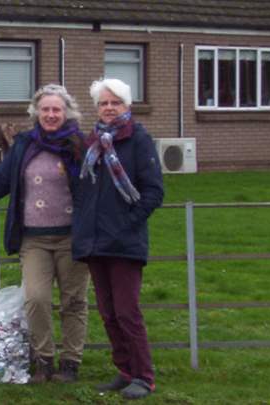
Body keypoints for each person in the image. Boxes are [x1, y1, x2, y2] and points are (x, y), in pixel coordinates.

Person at [0, 84, 90, 383]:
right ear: (36, 112)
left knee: (73, 302)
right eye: (45, 109)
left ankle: (70, 363)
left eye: (56, 109)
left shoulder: (80, 145)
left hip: (73, 238)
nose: (50, 114)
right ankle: (44, 360)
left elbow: (97, 190)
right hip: (33, 238)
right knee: (35, 298)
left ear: (67, 112)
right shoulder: (24, 144)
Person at [72, 78, 164, 400]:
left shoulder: (138, 140)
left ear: (127, 106)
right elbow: (84, 189)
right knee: (108, 313)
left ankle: (144, 376)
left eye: (116, 103)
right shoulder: (91, 143)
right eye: (103, 103)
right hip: (96, 242)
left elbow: (154, 192)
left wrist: (128, 224)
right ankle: (125, 371)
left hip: (124, 243)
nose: (109, 108)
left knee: (127, 312)